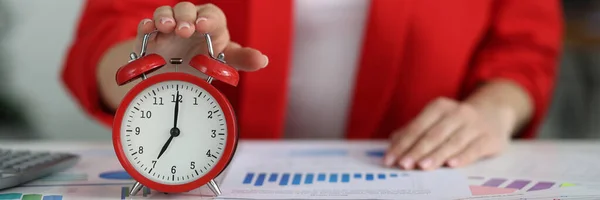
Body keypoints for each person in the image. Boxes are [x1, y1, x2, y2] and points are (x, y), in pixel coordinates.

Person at [61, 0, 563, 170]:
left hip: (420, 169)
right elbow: (102, 40)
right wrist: (150, 66)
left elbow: (525, 46)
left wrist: (494, 109)